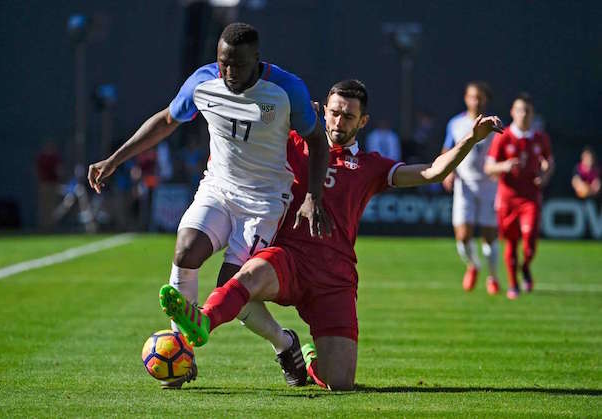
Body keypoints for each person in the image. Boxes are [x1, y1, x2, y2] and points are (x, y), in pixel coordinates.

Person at [159, 80, 503, 390]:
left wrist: (470, 140)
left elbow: (431, 172)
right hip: (287, 259)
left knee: (339, 384)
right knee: (245, 277)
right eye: (335, 113)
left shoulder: (371, 166)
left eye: (349, 116)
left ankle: (307, 358)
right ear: (324, 111)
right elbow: (251, 130)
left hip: (335, 279)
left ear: (363, 122)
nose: (339, 122)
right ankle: (202, 322)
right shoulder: (291, 144)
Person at [88, 23, 331, 387]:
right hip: (218, 187)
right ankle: (181, 353)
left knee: (232, 288)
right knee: (185, 251)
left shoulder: (286, 89)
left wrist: (312, 195)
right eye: (222, 63)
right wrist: (115, 159)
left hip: (263, 201)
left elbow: (317, 140)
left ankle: (285, 344)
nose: (229, 72)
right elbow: (168, 120)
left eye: (237, 64)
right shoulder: (203, 81)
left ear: (256, 60)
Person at [485, 93, 554, 300]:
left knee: (529, 242)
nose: (523, 114)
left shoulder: (540, 137)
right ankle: (513, 284)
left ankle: (526, 266)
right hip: (507, 198)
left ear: (532, 114)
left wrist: (545, 174)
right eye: (519, 110)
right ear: (512, 112)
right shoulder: (503, 136)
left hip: (530, 198)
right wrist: (504, 166)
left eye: (527, 111)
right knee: (511, 243)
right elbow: (488, 167)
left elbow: (550, 162)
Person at [442, 81, 500, 294]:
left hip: (489, 185)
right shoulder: (455, 124)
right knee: (463, 236)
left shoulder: (494, 123)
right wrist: (448, 171)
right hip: (464, 184)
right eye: (472, 96)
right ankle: (473, 265)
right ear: (466, 98)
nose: (476, 101)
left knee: (489, 236)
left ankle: (493, 277)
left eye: (480, 97)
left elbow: (502, 153)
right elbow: (447, 150)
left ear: (486, 100)